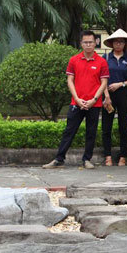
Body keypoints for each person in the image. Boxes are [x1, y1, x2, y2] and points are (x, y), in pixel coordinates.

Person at [43, 30, 108, 169]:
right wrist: (77, 99)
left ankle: (87, 159)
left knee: (91, 132)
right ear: (81, 43)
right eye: (85, 42)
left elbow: (103, 83)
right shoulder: (74, 60)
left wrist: (94, 99)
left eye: (91, 42)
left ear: (96, 42)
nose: (88, 45)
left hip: (94, 104)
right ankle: (59, 159)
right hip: (76, 102)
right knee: (69, 131)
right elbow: (70, 80)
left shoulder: (101, 62)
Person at [101, 29, 127, 167]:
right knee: (107, 126)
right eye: (116, 42)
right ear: (111, 43)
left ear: (125, 44)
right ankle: (108, 156)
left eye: (121, 42)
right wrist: (106, 96)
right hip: (108, 95)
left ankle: (123, 156)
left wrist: (121, 84)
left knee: (124, 126)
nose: (118, 44)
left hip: (123, 94)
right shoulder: (105, 58)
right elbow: (102, 79)